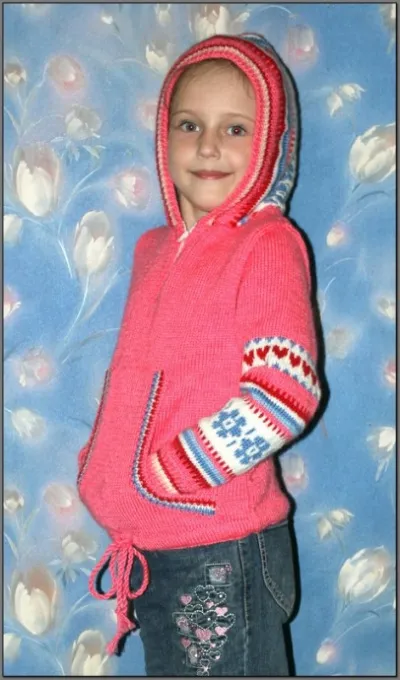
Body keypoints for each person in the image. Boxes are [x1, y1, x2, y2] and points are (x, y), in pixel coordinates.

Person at [76, 32, 322, 676]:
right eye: (190, 124)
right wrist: (101, 459)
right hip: (154, 547)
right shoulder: (152, 249)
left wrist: (170, 472)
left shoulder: (267, 244)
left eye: (235, 128)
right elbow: (133, 375)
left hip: (219, 550)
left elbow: (284, 394)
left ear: (270, 142)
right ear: (165, 136)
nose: (208, 145)